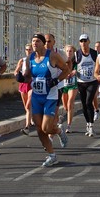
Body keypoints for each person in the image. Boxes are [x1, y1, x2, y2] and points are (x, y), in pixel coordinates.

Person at [17, 33, 70, 167]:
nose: (34, 43)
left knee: (46, 128)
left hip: (50, 96)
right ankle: (52, 155)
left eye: (37, 41)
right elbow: (28, 77)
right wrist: (22, 78)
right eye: (33, 41)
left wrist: (56, 80)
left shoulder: (52, 56)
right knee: (40, 129)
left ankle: (58, 131)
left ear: (43, 43)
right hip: (36, 96)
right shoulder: (30, 58)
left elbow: (66, 69)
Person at [75, 34, 99, 137]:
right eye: (81, 41)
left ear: (89, 41)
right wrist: (72, 71)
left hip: (92, 81)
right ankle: (88, 123)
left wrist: (99, 75)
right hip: (81, 82)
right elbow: (70, 65)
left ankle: (92, 126)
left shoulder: (94, 53)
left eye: (85, 41)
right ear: (79, 43)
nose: (83, 43)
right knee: (84, 104)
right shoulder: (77, 54)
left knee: (89, 102)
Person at [14, 43, 33, 135]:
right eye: (27, 49)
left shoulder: (36, 60)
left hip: (32, 84)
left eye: (30, 49)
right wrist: (18, 76)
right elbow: (16, 71)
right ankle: (30, 118)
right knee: (26, 106)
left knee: (28, 106)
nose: (28, 51)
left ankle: (27, 127)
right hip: (23, 84)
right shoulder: (22, 60)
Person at [61, 44, 78, 133]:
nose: (69, 53)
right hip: (64, 85)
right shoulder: (62, 60)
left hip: (73, 84)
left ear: (73, 52)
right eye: (67, 51)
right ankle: (69, 113)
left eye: (70, 51)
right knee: (65, 106)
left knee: (70, 102)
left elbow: (78, 68)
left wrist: (75, 71)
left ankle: (69, 125)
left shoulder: (76, 61)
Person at [93, 41, 100, 121]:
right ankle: (96, 110)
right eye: (95, 46)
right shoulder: (93, 55)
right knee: (94, 95)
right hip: (96, 78)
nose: (96, 48)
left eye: (98, 46)